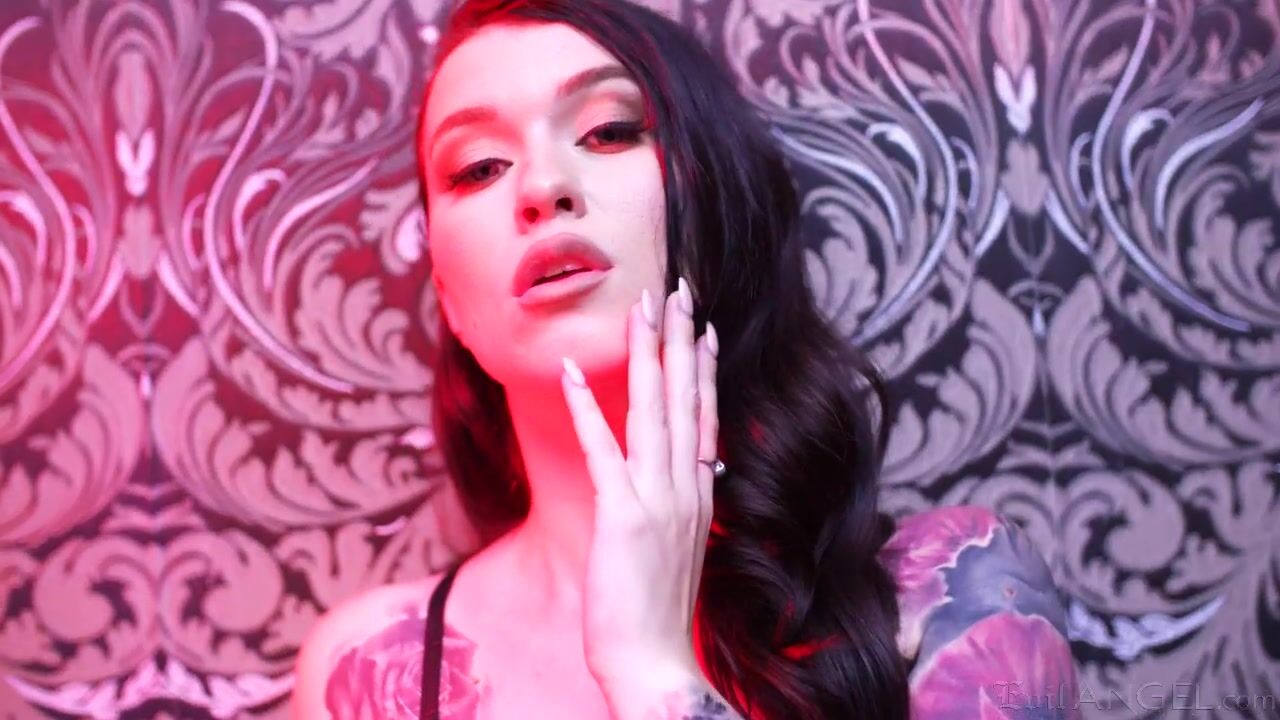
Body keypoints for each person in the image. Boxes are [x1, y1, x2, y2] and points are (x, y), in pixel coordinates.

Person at [290, 0, 1080, 718]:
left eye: (608, 130)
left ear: (716, 205)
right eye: (478, 168)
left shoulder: (959, 591)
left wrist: (649, 668)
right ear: (449, 299)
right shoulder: (367, 673)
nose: (542, 186)